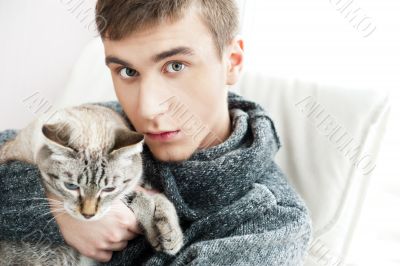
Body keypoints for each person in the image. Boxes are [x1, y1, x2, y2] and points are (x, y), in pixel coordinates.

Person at [0, 0, 312, 265]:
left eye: (175, 66)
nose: (147, 108)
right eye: (128, 71)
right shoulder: (106, 128)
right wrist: (59, 214)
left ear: (232, 62)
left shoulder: (270, 226)